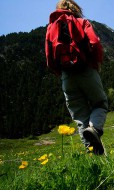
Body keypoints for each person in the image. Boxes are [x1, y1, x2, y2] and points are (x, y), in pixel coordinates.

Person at [45, 0, 108, 155]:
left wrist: (61, 73)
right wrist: (96, 62)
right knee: (100, 103)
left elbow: (49, 57)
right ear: (75, 9)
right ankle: (94, 128)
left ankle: (92, 152)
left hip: (67, 76)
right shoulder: (82, 22)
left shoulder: (51, 28)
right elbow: (94, 42)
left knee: (80, 116)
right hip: (86, 69)